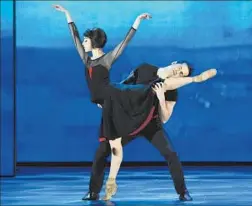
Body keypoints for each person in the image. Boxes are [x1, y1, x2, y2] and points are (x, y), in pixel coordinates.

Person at [53, 4, 217, 201]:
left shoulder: (172, 90)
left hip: (150, 122)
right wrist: (107, 101)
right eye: (179, 69)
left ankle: (183, 192)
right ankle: (94, 191)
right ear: (174, 64)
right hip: (125, 116)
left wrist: (162, 97)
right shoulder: (145, 69)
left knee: (171, 154)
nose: (177, 72)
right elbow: (122, 87)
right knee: (102, 152)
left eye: (181, 74)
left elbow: (164, 118)